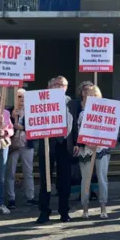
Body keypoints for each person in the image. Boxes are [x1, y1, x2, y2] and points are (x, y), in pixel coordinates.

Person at [37, 76, 78, 224]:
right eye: (56, 84)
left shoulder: (72, 102)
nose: (60, 87)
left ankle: (64, 211)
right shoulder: (40, 100)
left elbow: (74, 125)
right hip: (48, 144)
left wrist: (76, 142)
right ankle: (44, 212)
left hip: (65, 145)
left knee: (64, 181)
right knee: (45, 180)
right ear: (50, 87)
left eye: (63, 85)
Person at [77, 85, 110, 218]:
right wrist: (89, 144)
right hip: (86, 149)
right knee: (85, 179)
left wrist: (100, 143)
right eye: (91, 94)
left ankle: (103, 207)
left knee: (102, 179)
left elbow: (110, 131)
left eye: (96, 94)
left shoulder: (107, 112)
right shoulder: (82, 114)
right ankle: (85, 208)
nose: (94, 96)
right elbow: (80, 132)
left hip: (102, 149)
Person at [6, 88, 37, 210]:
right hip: (13, 145)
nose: (22, 99)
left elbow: (36, 127)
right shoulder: (9, 110)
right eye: (19, 97)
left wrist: (22, 127)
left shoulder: (32, 111)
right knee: (10, 172)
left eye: (24, 96)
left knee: (28, 172)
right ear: (15, 98)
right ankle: (11, 198)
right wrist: (12, 119)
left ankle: (30, 197)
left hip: (27, 144)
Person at [73, 81, 98, 201]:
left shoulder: (97, 104)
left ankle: (92, 191)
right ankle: (83, 194)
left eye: (90, 89)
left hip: (94, 142)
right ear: (81, 92)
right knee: (82, 171)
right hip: (81, 143)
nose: (87, 92)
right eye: (85, 89)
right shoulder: (77, 105)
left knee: (93, 170)